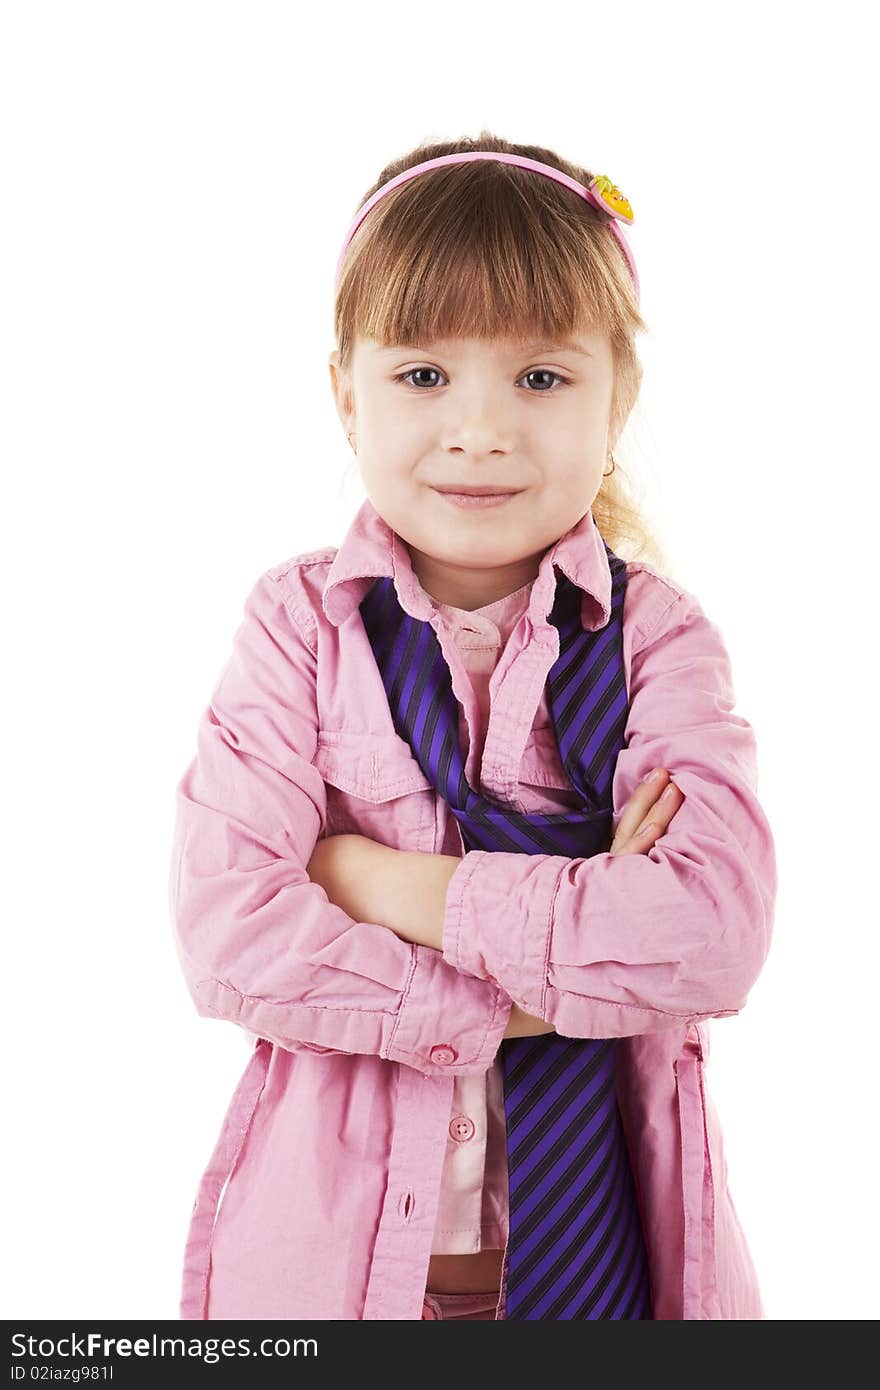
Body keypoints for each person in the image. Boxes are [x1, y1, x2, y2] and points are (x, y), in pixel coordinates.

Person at [169, 131, 777, 1321]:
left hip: (623, 1266)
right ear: (345, 391)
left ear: (620, 396)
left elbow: (713, 933)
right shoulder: (299, 629)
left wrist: (367, 876)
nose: (482, 428)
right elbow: (227, 928)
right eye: (424, 375)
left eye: (541, 378)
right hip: (331, 1280)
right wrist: (566, 957)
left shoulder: (657, 643)